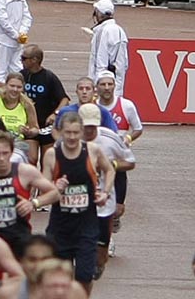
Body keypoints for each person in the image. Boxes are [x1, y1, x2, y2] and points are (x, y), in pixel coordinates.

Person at [36, 109, 112, 288]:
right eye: (68, 132)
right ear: (60, 132)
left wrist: (105, 192)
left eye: (76, 133)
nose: (71, 137)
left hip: (86, 226)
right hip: (60, 227)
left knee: (85, 276)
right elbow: (44, 189)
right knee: (61, 278)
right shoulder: (52, 155)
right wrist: (56, 187)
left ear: (82, 132)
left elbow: (109, 169)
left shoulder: (92, 151)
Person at [86, 0, 128, 83]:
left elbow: (100, 60)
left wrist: (95, 82)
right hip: (114, 79)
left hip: (104, 81)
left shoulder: (104, 31)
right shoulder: (118, 30)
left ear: (100, 13)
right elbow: (124, 62)